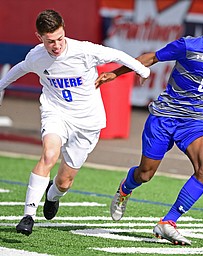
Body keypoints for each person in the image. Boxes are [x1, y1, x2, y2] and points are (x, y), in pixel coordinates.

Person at [96, 4, 203, 245]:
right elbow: (150, 57)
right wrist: (116, 73)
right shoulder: (188, 46)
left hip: (194, 121)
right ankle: (125, 188)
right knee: (145, 174)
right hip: (164, 117)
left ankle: (168, 221)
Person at [0, 9, 150, 236]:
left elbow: (118, 55)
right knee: (49, 155)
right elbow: (19, 69)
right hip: (56, 113)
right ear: (39, 37)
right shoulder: (37, 56)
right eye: (50, 41)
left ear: (64, 32)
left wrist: (142, 70)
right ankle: (28, 216)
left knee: (64, 181)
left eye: (60, 38)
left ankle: (53, 195)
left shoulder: (84, 51)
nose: (57, 45)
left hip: (87, 122)